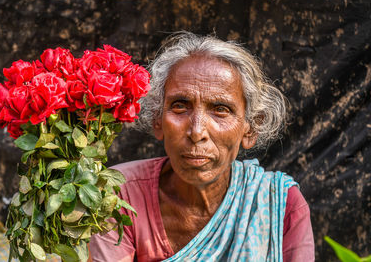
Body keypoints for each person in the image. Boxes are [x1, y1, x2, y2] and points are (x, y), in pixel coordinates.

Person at [89, 32, 315, 261]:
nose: (197, 132)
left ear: (250, 128)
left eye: (220, 109)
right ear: (158, 120)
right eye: (180, 106)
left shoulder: (280, 205)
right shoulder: (120, 194)